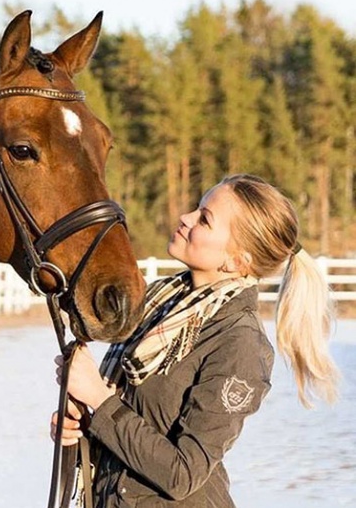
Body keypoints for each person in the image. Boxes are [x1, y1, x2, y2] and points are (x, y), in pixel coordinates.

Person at [51, 173, 339, 507]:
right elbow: (137, 424)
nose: (186, 218)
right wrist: (86, 428)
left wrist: (101, 402)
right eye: (196, 209)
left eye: (204, 219)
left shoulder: (240, 344)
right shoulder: (160, 306)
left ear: (236, 261)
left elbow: (183, 474)